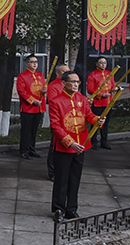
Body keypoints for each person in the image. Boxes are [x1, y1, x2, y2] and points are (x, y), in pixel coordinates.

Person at [48, 71, 104, 219]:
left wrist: (97, 120)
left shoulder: (82, 99)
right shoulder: (56, 101)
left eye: (77, 82)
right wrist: (70, 142)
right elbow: (55, 126)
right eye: (72, 82)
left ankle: (71, 208)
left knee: (75, 178)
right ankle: (58, 208)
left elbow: (89, 115)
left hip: (81, 144)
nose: (75, 84)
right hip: (64, 147)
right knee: (62, 179)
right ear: (64, 83)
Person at [17, 54, 46, 159]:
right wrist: (33, 101)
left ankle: (32, 149)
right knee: (26, 130)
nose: (35, 64)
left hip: (38, 108)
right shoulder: (22, 76)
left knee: (34, 130)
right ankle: (24, 150)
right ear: (27, 64)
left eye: (36, 62)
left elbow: (42, 89)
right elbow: (21, 92)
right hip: (27, 108)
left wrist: (44, 91)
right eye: (32, 62)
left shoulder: (40, 75)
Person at [46, 64, 70, 182]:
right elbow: (54, 103)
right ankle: (52, 172)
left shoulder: (69, 86)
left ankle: (63, 171)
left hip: (70, 122)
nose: (67, 74)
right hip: (58, 121)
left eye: (68, 71)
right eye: (64, 72)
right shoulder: (53, 86)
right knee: (55, 146)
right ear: (58, 73)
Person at [87, 57, 114, 150]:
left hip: (108, 103)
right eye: (101, 62)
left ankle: (104, 141)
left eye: (105, 63)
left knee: (106, 124)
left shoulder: (110, 74)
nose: (103, 64)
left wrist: (114, 89)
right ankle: (93, 141)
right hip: (98, 103)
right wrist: (101, 95)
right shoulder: (92, 75)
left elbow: (112, 85)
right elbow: (90, 89)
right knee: (95, 123)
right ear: (96, 64)